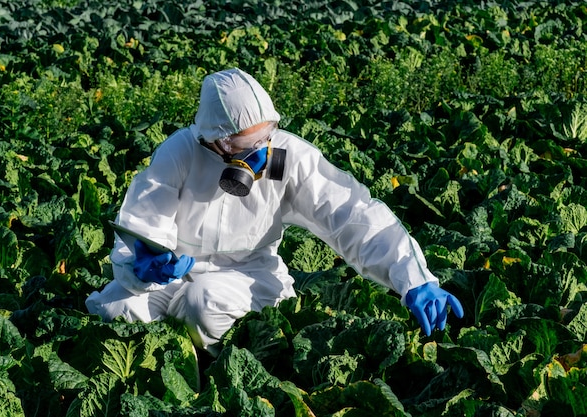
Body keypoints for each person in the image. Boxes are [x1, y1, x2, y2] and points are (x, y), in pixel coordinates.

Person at [86, 68, 464, 357]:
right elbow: (141, 223)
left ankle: (221, 368)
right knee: (117, 309)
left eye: (267, 138)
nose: (262, 154)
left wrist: (413, 278)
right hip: (176, 274)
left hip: (247, 274)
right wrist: (143, 266)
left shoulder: (289, 158)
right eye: (248, 147)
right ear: (216, 141)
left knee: (203, 304)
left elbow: (353, 216)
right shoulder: (179, 153)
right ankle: (180, 351)